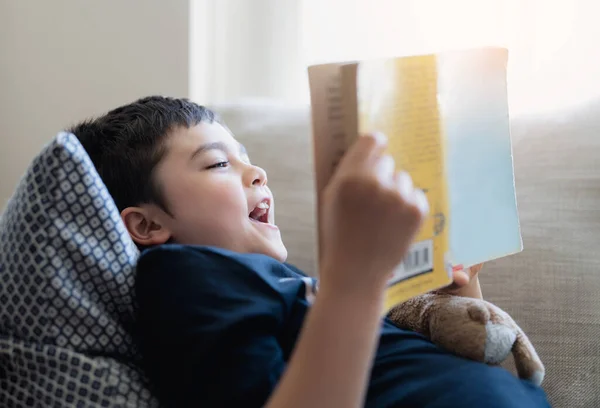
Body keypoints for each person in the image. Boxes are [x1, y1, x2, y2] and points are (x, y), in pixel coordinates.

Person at [72, 96, 549, 407]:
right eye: (218, 163)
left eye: (246, 156)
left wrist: (454, 286)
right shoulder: (184, 276)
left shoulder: (290, 281)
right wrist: (353, 279)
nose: (257, 172)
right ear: (147, 224)